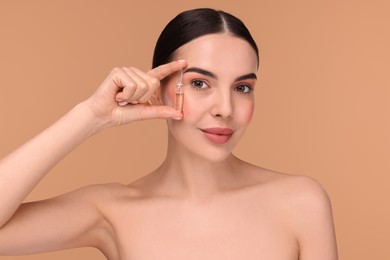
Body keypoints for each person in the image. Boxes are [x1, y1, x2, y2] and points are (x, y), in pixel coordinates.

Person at [0, 8, 338, 260]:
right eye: (200, 83)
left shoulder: (300, 202)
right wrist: (90, 115)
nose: (225, 108)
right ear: (159, 89)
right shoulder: (111, 210)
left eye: (243, 87)